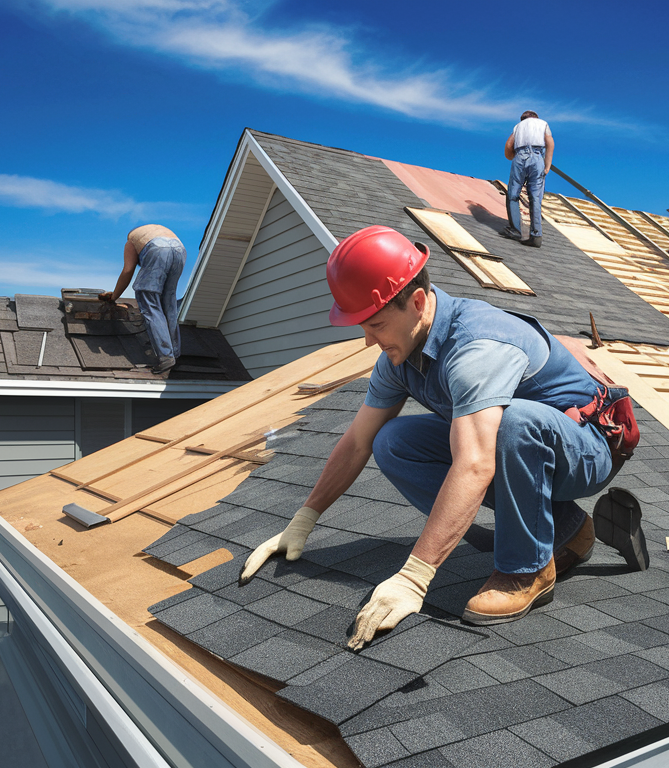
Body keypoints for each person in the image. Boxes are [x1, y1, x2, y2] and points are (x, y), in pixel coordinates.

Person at [241, 226, 618, 649]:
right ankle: (567, 528)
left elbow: (476, 462)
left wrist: (414, 577)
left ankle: (526, 569)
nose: (368, 339)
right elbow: (357, 441)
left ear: (417, 303)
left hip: (585, 449)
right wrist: (303, 520)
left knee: (515, 424)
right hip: (518, 451)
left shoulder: (476, 348)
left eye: (377, 324)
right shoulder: (400, 352)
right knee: (392, 440)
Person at [100, 225, 185, 374]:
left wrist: (114, 296)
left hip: (157, 249)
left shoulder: (131, 240)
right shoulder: (153, 232)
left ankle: (165, 356)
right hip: (180, 250)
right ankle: (174, 353)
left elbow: (128, 270)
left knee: (147, 298)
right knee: (168, 303)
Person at [500, 110, 554, 248]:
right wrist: (547, 166)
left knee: (513, 194)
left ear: (522, 118)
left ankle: (515, 230)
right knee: (535, 197)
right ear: (536, 117)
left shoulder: (518, 127)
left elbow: (508, 145)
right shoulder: (543, 124)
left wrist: (512, 157)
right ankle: (536, 235)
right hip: (537, 157)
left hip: (520, 156)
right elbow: (550, 144)